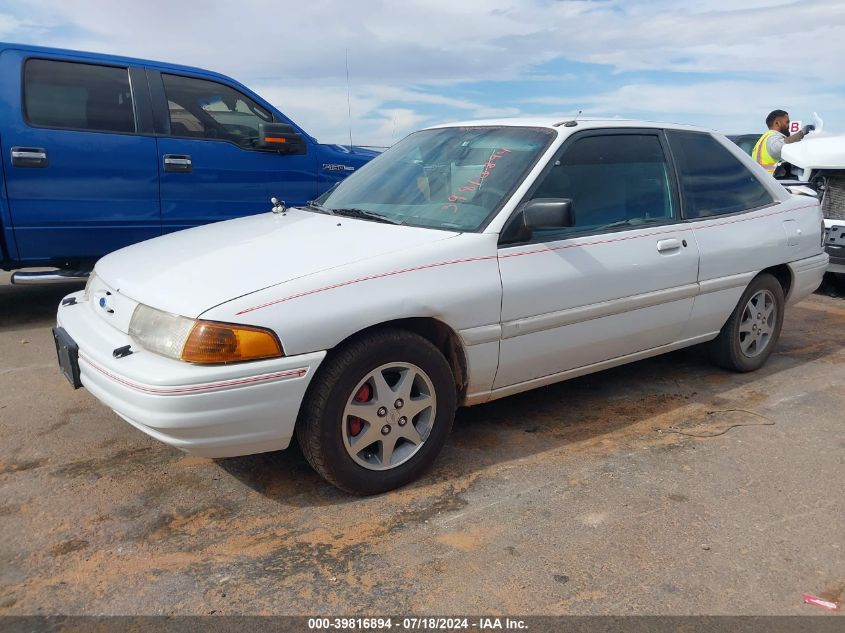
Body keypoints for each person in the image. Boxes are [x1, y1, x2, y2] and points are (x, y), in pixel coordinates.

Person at [752, 110, 815, 174]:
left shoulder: (765, 138)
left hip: (763, 180)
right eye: (787, 122)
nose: (789, 125)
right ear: (777, 123)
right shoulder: (772, 138)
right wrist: (802, 133)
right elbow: (780, 147)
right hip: (771, 181)